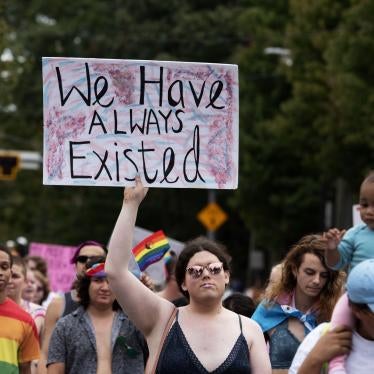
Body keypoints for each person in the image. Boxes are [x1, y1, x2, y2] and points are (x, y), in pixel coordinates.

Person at [105, 176, 271, 374]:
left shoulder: (250, 330)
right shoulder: (162, 318)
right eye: (195, 271)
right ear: (183, 283)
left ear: (226, 276)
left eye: (214, 268)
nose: (206, 274)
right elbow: (116, 271)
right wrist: (130, 204)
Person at [252, 234, 343, 373]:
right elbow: (247, 353)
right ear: (295, 270)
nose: (317, 280)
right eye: (310, 272)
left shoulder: (336, 311)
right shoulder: (270, 307)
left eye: (324, 275)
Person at [47, 256, 147, 374]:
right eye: (98, 280)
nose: (105, 287)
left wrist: (144, 293)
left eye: (110, 281)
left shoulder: (136, 324)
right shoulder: (64, 326)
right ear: (87, 285)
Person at [324, 171, 374, 374]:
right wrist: (332, 249)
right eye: (364, 204)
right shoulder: (354, 234)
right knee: (338, 326)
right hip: (355, 297)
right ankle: (336, 366)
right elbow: (336, 264)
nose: (369, 211)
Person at [289, 259, 374, 373]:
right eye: (309, 272)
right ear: (356, 309)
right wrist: (315, 359)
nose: (316, 281)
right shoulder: (321, 338)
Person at [38, 241, 107, 374]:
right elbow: (46, 355)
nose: (87, 263)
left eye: (94, 259)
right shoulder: (58, 305)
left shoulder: (122, 305)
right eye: (82, 259)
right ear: (75, 265)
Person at [0, 245, 40, 373]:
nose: (0, 272)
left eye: (4, 267)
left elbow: (25, 369)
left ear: (10, 274)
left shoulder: (25, 320)